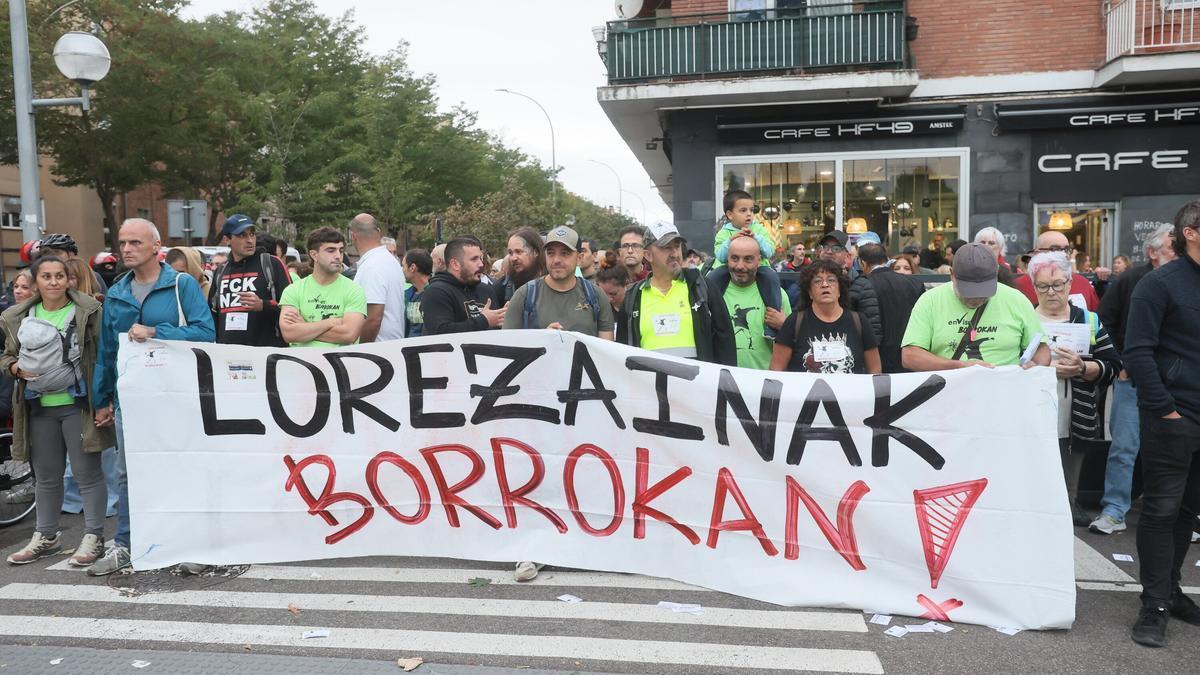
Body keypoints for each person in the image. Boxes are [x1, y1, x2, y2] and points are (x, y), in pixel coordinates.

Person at [89, 218, 216, 576]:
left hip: (175, 396)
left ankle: (193, 544)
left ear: (156, 246)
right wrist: (102, 398)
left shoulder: (180, 284)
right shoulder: (117, 291)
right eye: (123, 242)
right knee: (128, 473)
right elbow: (107, 351)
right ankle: (127, 544)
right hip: (131, 400)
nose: (127, 249)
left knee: (182, 467)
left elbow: (206, 333)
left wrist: (157, 331)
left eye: (135, 242)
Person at [2, 256, 113, 567]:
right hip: (38, 407)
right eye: (46, 276)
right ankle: (46, 536)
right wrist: (14, 368)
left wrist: (104, 400)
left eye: (59, 276)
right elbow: (7, 356)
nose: (53, 282)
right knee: (47, 477)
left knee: (87, 474)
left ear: (69, 280)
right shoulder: (19, 316)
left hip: (78, 405)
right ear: (36, 282)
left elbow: (103, 355)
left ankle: (94, 537)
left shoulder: (88, 311)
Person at [1124, 200, 1200, 648]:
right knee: (1160, 510)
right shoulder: (1159, 284)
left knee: (1187, 512)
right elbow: (1137, 351)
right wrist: (1165, 410)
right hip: (1172, 417)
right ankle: (1153, 605)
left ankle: (1171, 591)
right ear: (1190, 232)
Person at [1093, 224, 1177, 536]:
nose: (1179, 253)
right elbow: (1104, 322)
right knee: (1124, 447)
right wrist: (1120, 363)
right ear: (1152, 252)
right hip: (1133, 380)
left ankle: (1177, 515)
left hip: (1175, 382)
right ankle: (1115, 510)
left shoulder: (1188, 281)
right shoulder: (1130, 280)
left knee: (1176, 450)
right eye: (1172, 247)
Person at [1030, 252, 1120, 528]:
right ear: (1034, 286)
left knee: (1072, 465)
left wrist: (1083, 367)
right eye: (1043, 285)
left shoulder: (1088, 320)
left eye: (1058, 284)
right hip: (1034, 413)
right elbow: (1010, 363)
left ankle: (1070, 503)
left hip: (1076, 412)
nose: (1051, 291)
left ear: (1070, 284)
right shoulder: (1024, 319)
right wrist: (1045, 368)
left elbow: (1113, 365)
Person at [902, 243, 1049, 371]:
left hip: (1004, 390)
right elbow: (910, 356)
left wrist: (1036, 365)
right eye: (968, 291)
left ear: (996, 272)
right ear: (952, 274)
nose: (976, 298)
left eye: (984, 291)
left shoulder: (1016, 299)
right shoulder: (930, 301)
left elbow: (1040, 348)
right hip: (951, 391)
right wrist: (959, 366)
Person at [619, 222, 736, 366]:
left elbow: (725, 342)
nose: (674, 253)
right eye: (666, 247)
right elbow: (621, 353)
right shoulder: (633, 297)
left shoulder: (702, 287)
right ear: (648, 255)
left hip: (697, 380)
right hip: (647, 380)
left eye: (677, 246)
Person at [770, 259, 880, 374]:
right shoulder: (794, 322)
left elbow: (875, 371)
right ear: (809, 292)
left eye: (831, 280)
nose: (825, 285)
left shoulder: (860, 321)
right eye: (817, 281)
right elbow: (776, 370)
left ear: (840, 289)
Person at [503, 226, 614, 339]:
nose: (556, 260)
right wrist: (542, 338)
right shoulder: (525, 295)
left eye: (564, 253)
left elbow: (606, 346)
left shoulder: (596, 296)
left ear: (579, 258)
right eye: (551, 253)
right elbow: (507, 343)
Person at [711, 191, 786, 338]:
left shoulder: (759, 229)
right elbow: (720, 256)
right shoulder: (723, 233)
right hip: (729, 269)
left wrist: (756, 238)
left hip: (760, 268)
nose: (749, 214)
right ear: (730, 214)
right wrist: (730, 240)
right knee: (712, 277)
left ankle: (772, 325)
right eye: (743, 210)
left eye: (751, 210)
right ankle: (711, 316)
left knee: (771, 277)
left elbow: (769, 252)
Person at [207, 215, 290, 348]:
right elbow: (212, 313)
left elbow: (291, 309)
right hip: (228, 354)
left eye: (252, 234)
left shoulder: (272, 264)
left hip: (266, 353)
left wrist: (263, 305)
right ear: (227, 240)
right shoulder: (221, 271)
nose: (250, 240)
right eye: (242, 235)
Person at [709, 234, 790, 370]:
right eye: (734, 258)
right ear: (727, 259)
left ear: (759, 260)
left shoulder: (778, 295)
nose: (740, 266)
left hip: (763, 380)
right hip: (721, 379)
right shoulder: (712, 294)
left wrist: (784, 326)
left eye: (748, 259)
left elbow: (793, 342)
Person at [278, 228, 366, 348]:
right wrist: (331, 322)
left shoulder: (354, 290)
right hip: (302, 360)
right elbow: (289, 334)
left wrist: (305, 326)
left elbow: (349, 335)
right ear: (314, 255)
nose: (338, 256)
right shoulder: (293, 290)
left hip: (339, 360)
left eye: (341, 251)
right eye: (331, 251)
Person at [806, 230, 882, 343]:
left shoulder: (861, 286)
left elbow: (873, 330)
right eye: (825, 247)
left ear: (847, 256)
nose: (829, 251)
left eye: (836, 248)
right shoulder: (809, 281)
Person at [858, 243, 924, 373]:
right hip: (911, 358)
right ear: (887, 259)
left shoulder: (863, 286)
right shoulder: (914, 284)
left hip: (878, 363)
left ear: (862, 263)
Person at [421, 237, 505, 336]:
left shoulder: (485, 289)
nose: (481, 264)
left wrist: (503, 316)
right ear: (455, 264)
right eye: (474, 259)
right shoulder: (436, 292)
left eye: (481, 258)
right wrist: (483, 321)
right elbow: (441, 332)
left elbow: (496, 330)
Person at [349, 214, 406, 343]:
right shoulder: (389, 260)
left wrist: (361, 348)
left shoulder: (372, 266)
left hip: (378, 349)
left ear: (353, 236)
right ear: (379, 232)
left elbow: (373, 319)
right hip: (391, 345)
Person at [1014, 231, 1100, 310]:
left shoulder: (1082, 283)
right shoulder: (1018, 286)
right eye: (1055, 249)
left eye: (1066, 249)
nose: (1063, 254)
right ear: (1037, 253)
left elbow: (1094, 316)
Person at [38, 233, 107, 292]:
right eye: (47, 253)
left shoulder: (91, 276)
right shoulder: (39, 276)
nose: (52, 256)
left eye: (57, 252)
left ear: (71, 254)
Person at [495, 227, 546, 308]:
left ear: (535, 252)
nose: (513, 258)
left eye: (518, 252)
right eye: (510, 253)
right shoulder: (501, 288)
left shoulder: (552, 282)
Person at [594, 251, 631, 331]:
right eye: (603, 294)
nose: (608, 299)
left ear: (626, 284)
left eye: (613, 294)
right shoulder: (598, 308)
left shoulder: (637, 305)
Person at [403, 249, 432, 338]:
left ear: (412, 267)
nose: (402, 270)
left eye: (403, 266)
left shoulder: (435, 294)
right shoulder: (407, 295)